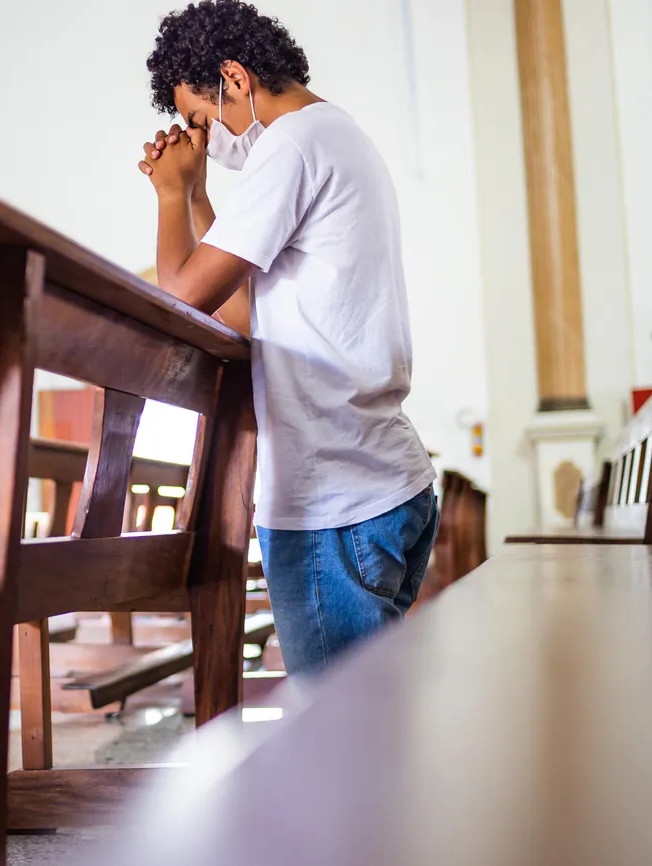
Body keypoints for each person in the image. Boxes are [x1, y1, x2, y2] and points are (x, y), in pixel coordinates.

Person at [139, 0, 439, 676]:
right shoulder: (333, 134)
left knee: (340, 752)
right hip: (380, 485)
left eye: (200, 119)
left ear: (236, 80)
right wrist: (194, 196)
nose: (203, 140)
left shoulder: (292, 144)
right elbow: (244, 311)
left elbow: (182, 299)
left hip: (334, 503)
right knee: (372, 731)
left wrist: (168, 194)